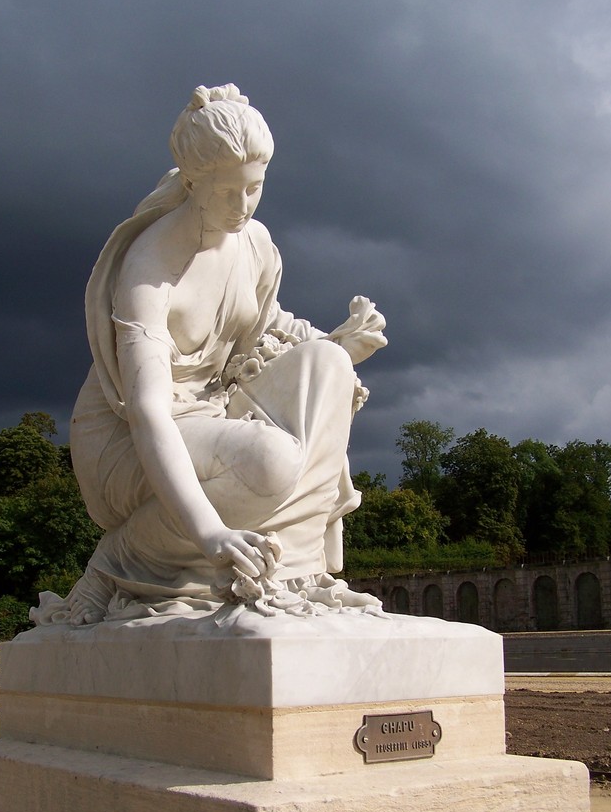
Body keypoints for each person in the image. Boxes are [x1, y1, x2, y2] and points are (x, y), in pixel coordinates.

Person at [34, 84, 387, 626]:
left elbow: (267, 328)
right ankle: (117, 561)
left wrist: (339, 341)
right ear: (192, 181)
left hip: (214, 415)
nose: (242, 207)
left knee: (330, 367)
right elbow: (148, 411)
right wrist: (208, 530)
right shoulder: (149, 269)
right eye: (227, 193)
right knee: (270, 461)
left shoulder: (256, 245)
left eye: (254, 189)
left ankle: (290, 568)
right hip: (128, 437)